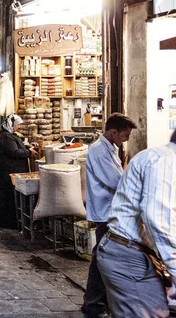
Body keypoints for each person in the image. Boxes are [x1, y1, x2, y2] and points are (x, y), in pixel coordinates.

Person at [96, 130, 176, 318]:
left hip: (136, 253)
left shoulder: (160, 158)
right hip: (128, 255)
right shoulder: (166, 162)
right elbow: (159, 219)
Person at [81, 113, 137, 318]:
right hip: (105, 212)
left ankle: (97, 304)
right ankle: (93, 305)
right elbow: (115, 180)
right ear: (113, 132)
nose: (126, 140)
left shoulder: (110, 148)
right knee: (101, 259)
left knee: (104, 257)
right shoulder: (98, 150)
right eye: (125, 135)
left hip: (111, 210)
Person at [0, 114, 37, 229]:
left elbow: (17, 148)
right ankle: (9, 222)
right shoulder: (6, 136)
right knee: (9, 198)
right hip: (8, 171)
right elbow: (14, 152)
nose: (18, 127)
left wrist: (27, 147)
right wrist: (29, 153)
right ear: (11, 124)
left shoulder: (9, 135)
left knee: (11, 198)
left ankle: (12, 221)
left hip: (10, 170)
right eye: (17, 124)